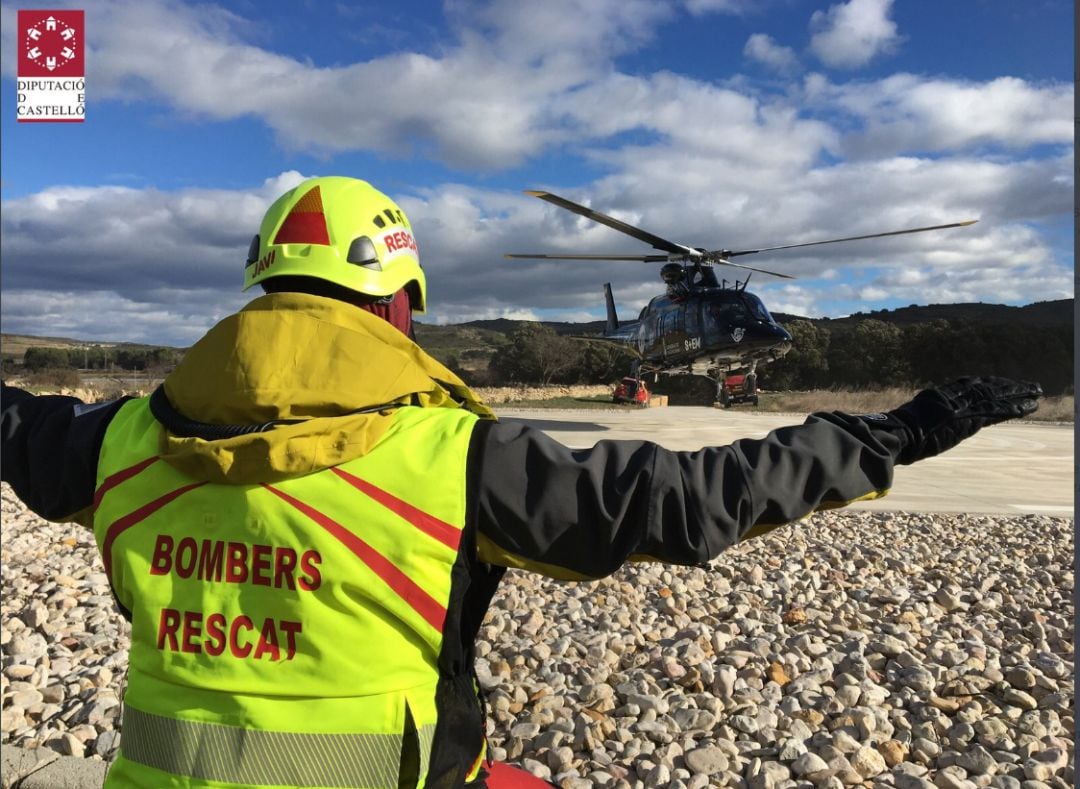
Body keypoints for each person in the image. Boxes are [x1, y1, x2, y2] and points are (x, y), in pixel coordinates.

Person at [0, 176, 1042, 789]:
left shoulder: (113, 442)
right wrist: (895, 434)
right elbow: (684, 501)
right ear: (400, 304)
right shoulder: (451, 459)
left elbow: (14, 424)